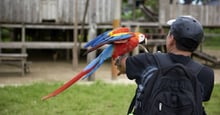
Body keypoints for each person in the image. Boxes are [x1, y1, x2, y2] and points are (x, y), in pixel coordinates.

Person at [115, 16, 214, 114]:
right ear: (197, 44)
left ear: (171, 39)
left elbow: (121, 64)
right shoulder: (206, 74)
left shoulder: (146, 61)